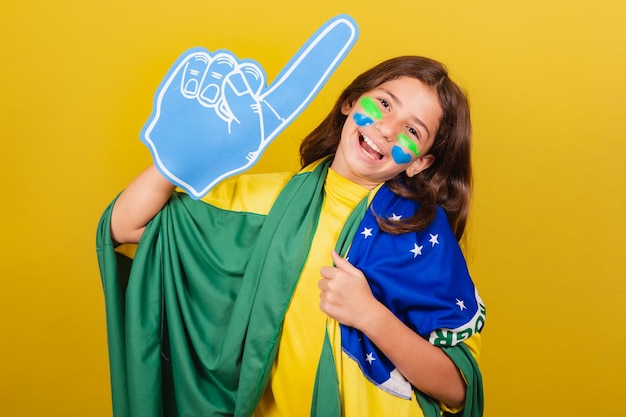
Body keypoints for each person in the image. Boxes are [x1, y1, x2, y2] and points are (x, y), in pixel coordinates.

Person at [97, 55, 485, 417]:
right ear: (350, 101)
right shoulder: (264, 203)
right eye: (384, 103)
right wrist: (177, 160)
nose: (386, 128)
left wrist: (370, 316)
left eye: (413, 130)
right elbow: (126, 228)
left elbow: (458, 388)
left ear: (419, 162)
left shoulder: (420, 241)